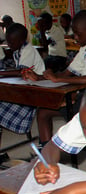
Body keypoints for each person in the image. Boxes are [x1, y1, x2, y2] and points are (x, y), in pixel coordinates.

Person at [24, 10, 86, 149]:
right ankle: (46, 154)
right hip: (84, 98)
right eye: (74, 33)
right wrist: (40, 77)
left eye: (78, 33)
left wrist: (57, 80)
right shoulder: (85, 50)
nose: (75, 37)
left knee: (75, 125)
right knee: (43, 112)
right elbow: (66, 73)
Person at [0, 23, 45, 161]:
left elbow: (22, 71)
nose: (8, 44)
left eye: (11, 42)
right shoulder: (17, 51)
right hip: (24, 90)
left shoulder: (28, 50)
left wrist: (1, 73)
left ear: (21, 41)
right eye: (7, 41)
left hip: (35, 93)